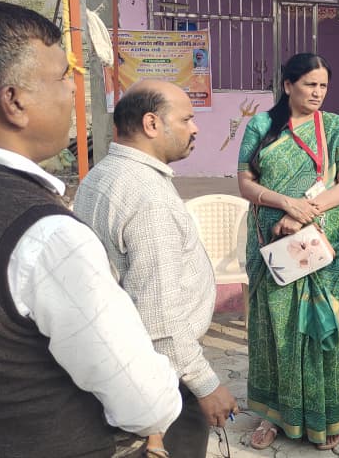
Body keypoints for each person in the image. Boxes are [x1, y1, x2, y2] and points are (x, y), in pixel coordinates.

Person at [0, 1, 181, 457]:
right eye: (63, 76)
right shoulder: (47, 236)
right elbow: (146, 406)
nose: (72, 89)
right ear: (14, 102)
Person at [74, 79, 240, 457]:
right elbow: (159, 318)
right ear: (152, 124)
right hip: (161, 370)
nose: (195, 128)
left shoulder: (102, 175)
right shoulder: (147, 197)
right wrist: (205, 385)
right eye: (186, 119)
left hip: (123, 359)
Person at [237, 53, 339, 451]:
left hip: (319, 245)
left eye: (323, 86)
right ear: (288, 85)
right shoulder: (262, 126)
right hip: (272, 246)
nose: (317, 92)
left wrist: (302, 215)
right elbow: (245, 182)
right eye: (309, 84)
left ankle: (324, 416)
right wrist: (285, 203)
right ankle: (272, 416)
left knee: (322, 332)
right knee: (275, 330)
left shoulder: (335, 127)